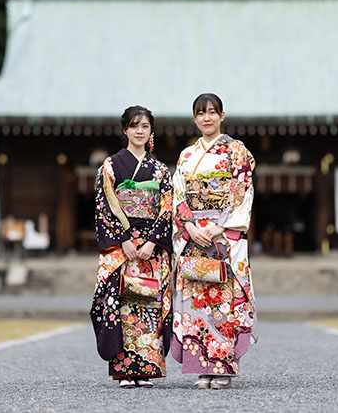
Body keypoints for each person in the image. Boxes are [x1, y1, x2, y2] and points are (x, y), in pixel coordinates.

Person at [171, 93, 257, 390]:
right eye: (200, 113)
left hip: (222, 237)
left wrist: (219, 228)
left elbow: (242, 191)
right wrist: (190, 226)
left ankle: (222, 366)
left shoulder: (236, 151)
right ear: (194, 118)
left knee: (223, 299)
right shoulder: (186, 156)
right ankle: (201, 366)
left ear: (222, 115)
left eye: (212, 112)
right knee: (196, 300)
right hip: (194, 235)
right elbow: (178, 195)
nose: (206, 118)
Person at [90, 105, 173, 388]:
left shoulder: (161, 171)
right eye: (134, 126)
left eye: (145, 126)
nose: (140, 131)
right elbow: (104, 208)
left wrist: (152, 242)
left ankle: (147, 368)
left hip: (150, 248)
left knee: (149, 305)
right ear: (125, 130)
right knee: (123, 304)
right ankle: (125, 370)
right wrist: (123, 240)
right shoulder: (110, 166)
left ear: (151, 131)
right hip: (122, 248)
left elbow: (166, 210)